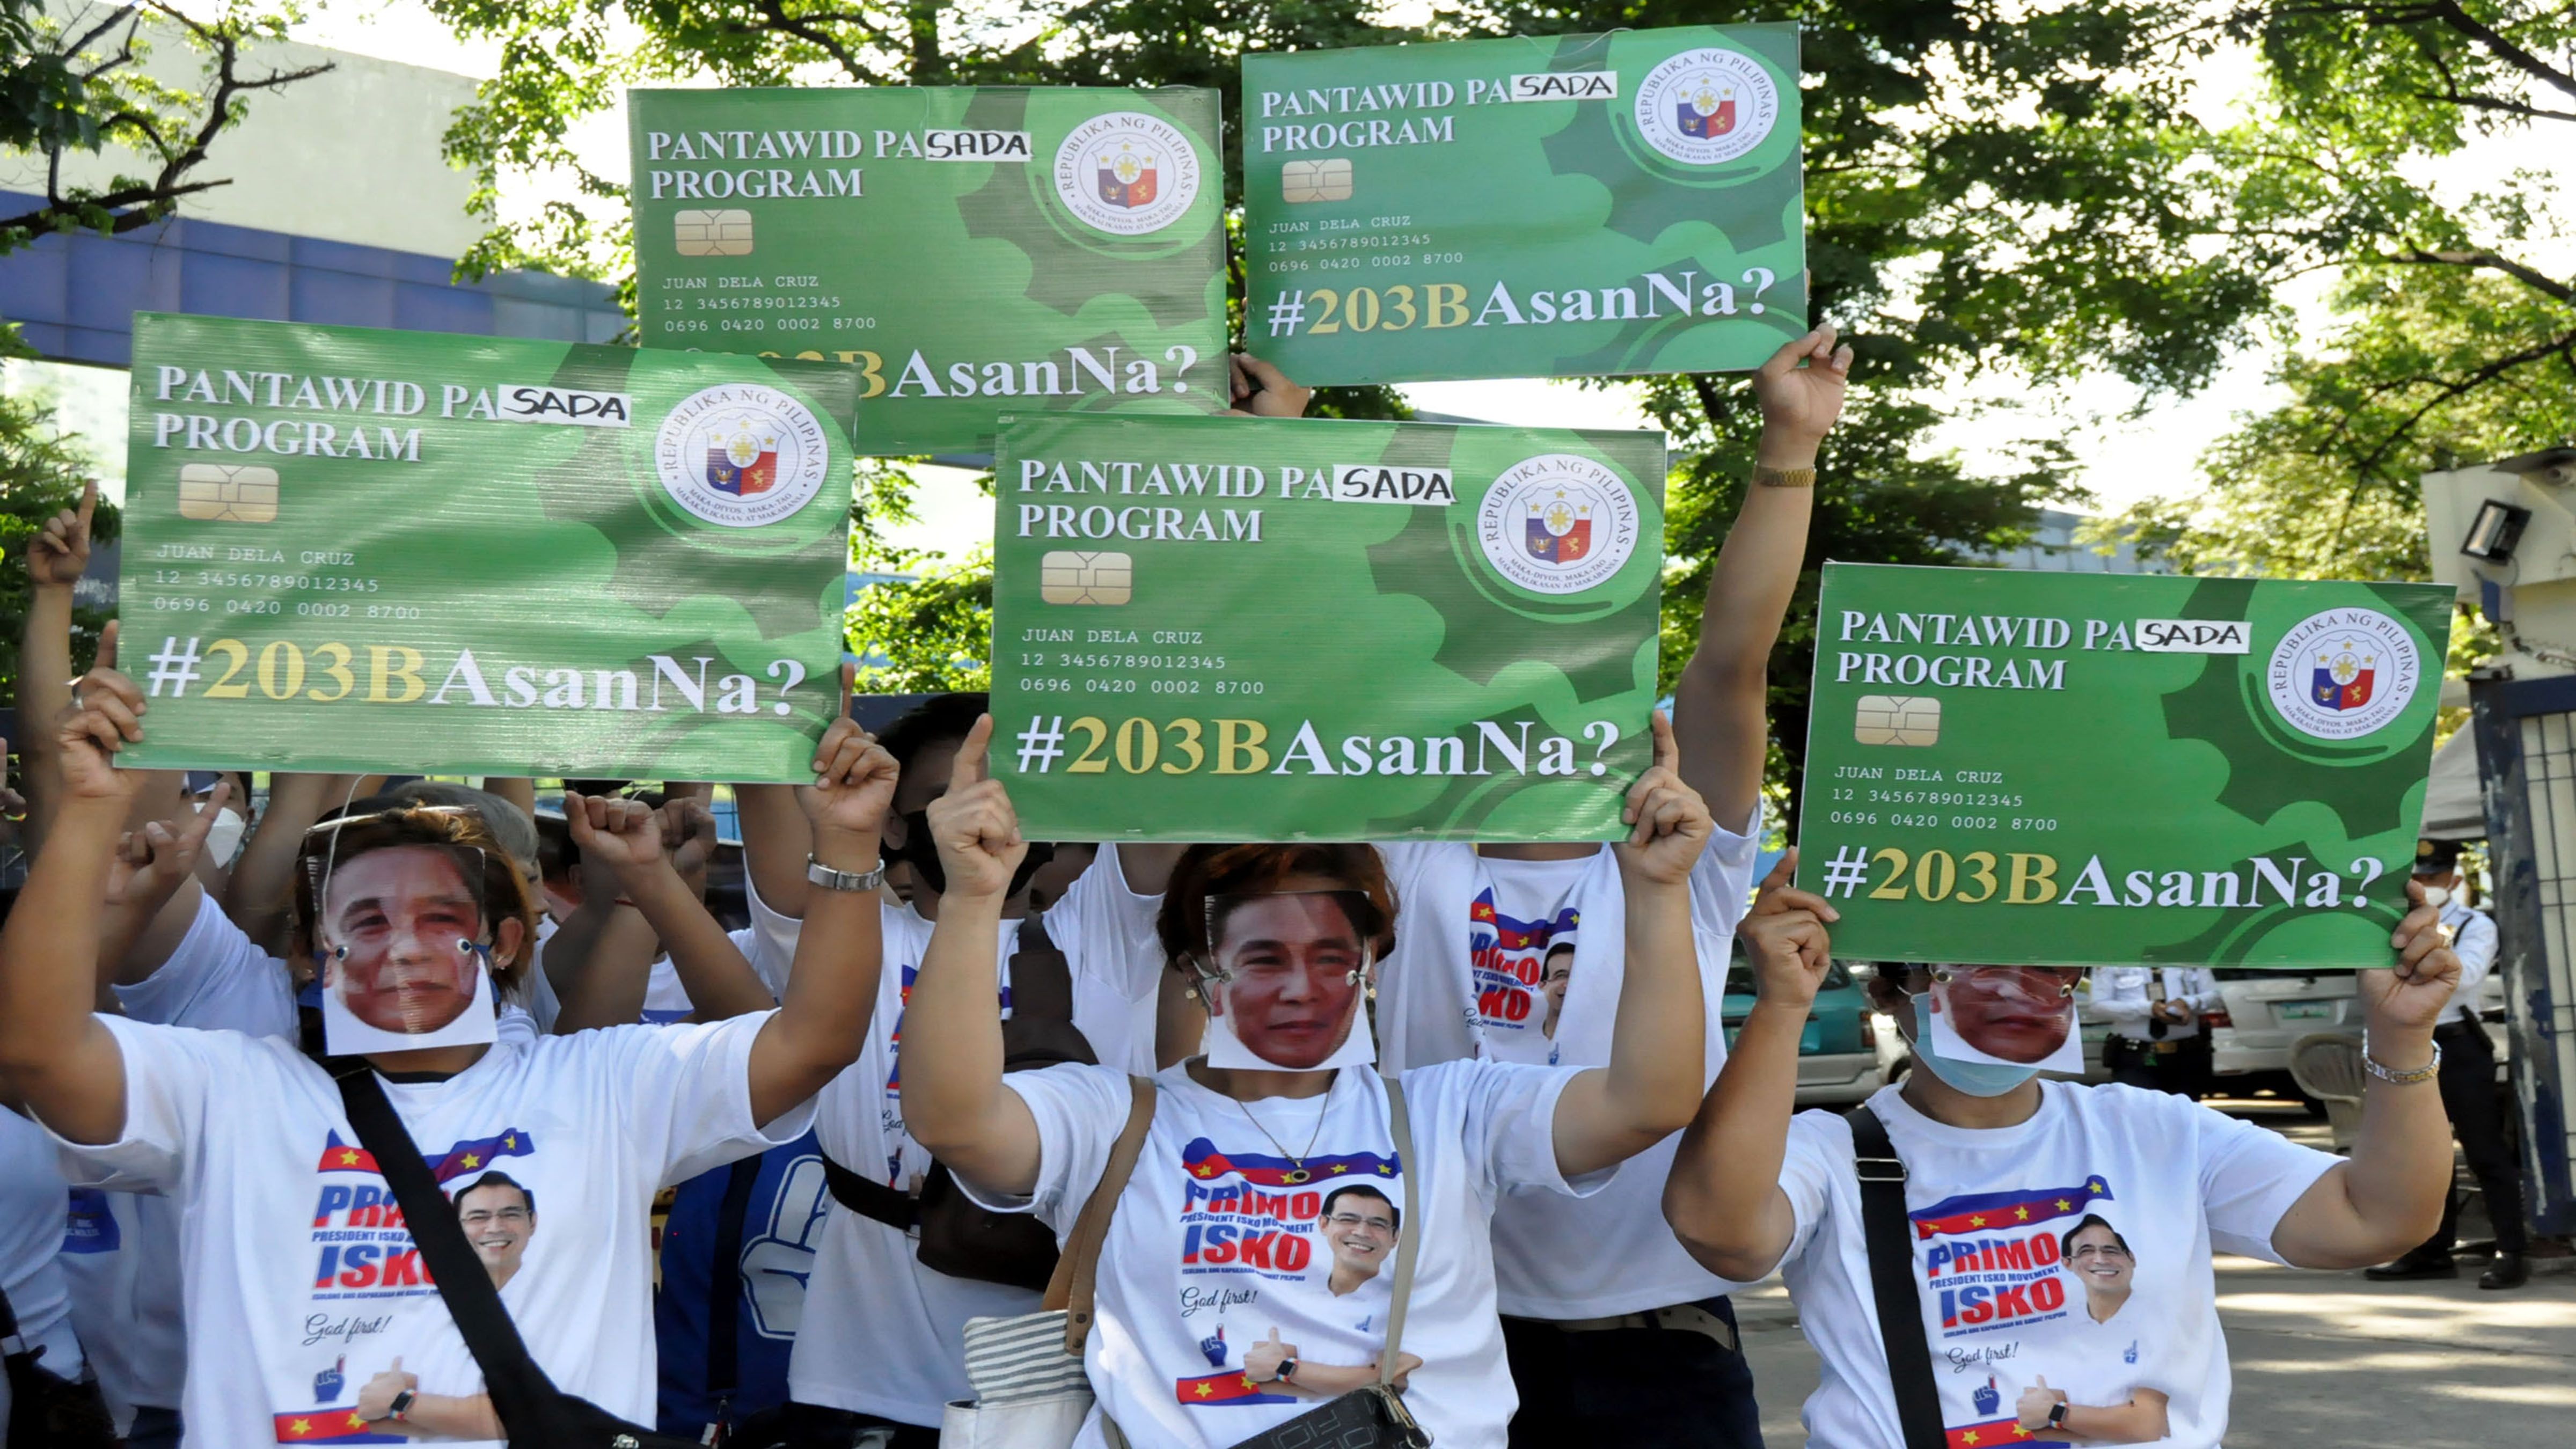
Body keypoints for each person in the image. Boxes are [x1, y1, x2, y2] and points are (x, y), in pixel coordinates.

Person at [0, 638, 895, 1448]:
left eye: (441, 918)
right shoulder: (227, 1089)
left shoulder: (608, 1086)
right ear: (311, 952)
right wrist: (86, 813)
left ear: (506, 944)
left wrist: (850, 842)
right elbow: (37, 1050)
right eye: (366, 919)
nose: (403, 949)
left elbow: (815, 1042)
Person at [901, 711, 1714, 1449]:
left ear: (1369, 966)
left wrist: (1658, 891)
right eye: (1263, 958)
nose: (1301, 988)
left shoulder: (1451, 1110)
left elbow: (1650, 1102)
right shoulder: (1113, 1119)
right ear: (1197, 969)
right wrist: (975, 898)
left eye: (1332, 957)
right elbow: (956, 1121)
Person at [1373, 324, 1851, 1449]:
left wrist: (1792, 443)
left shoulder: (1673, 851)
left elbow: (1734, 658)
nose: (1545, 690)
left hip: (1662, 1342)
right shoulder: (1402, 843)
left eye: (1583, 665)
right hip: (1443, 1333)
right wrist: (1267, 445)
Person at [1664, 864, 2462, 1449]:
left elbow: (2378, 1219)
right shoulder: (1831, 1154)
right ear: (1889, 989)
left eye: (2045, 962)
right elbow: (1721, 1229)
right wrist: (1781, 1004)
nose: (2014, 988)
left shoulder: (2156, 1132)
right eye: (1962, 961)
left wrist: (2400, 1038)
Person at [768, 691, 1179, 1449]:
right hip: (863, 1373)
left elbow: (1162, 794)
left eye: (1006, 792)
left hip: (1065, 1385)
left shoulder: (1104, 937)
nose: (981, 814)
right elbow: (777, 818)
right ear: (895, 823)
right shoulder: (849, 932)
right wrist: (784, 703)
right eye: (948, 797)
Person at [2367, 839, 2525, 1289]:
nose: (2425, 885)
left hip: (2457, 1045)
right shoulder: (2393, 927)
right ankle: (2432, 1250)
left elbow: (2468, 975)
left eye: (2434, 878)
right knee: (2423, 1156)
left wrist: (2420, 959)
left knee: (2485, 1152)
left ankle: (2511, 1249)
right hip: (2409, 1044)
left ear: (2454, 881)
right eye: (2418, 878)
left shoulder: (2474, 923)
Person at [2094, 967, 2223, 1097]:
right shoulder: (2115, 960)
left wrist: (2187, 1003)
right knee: (2137, 1110)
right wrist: (2147, 1009)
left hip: (2185, 1055)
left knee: (2182, 1112)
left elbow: (2215, 996)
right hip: (2136, 1056)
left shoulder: (2191, 956)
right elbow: (2098, 1006)